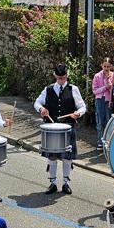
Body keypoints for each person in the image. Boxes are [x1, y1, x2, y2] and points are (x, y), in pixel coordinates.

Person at [34, 64, 85, 195]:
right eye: (59, 78)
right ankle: (52, 183)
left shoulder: (73, 89)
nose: (61, 80)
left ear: (67, 76)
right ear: (55, 76)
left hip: (68, 127)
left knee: (67, 157)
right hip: (51, 128)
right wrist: (42, 109)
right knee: (52, 156)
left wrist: (78, 114)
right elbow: (37, 103)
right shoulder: (48, 89)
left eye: (63, 78)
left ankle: (66, 183)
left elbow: (82, 107)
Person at [92, 56, 114, 151]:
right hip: (99, 100)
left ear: (111, 66)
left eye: (108, 66)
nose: (106, 68)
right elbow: (95, 91)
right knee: (100, 121)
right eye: (105, 66)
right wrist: (105, 87)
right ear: (102, 65)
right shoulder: (97, 76)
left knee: (109, 121)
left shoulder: (112, 75)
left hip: (108, 100)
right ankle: (100, 141)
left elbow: (112, 88)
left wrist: (108, 82)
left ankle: (108, 141)